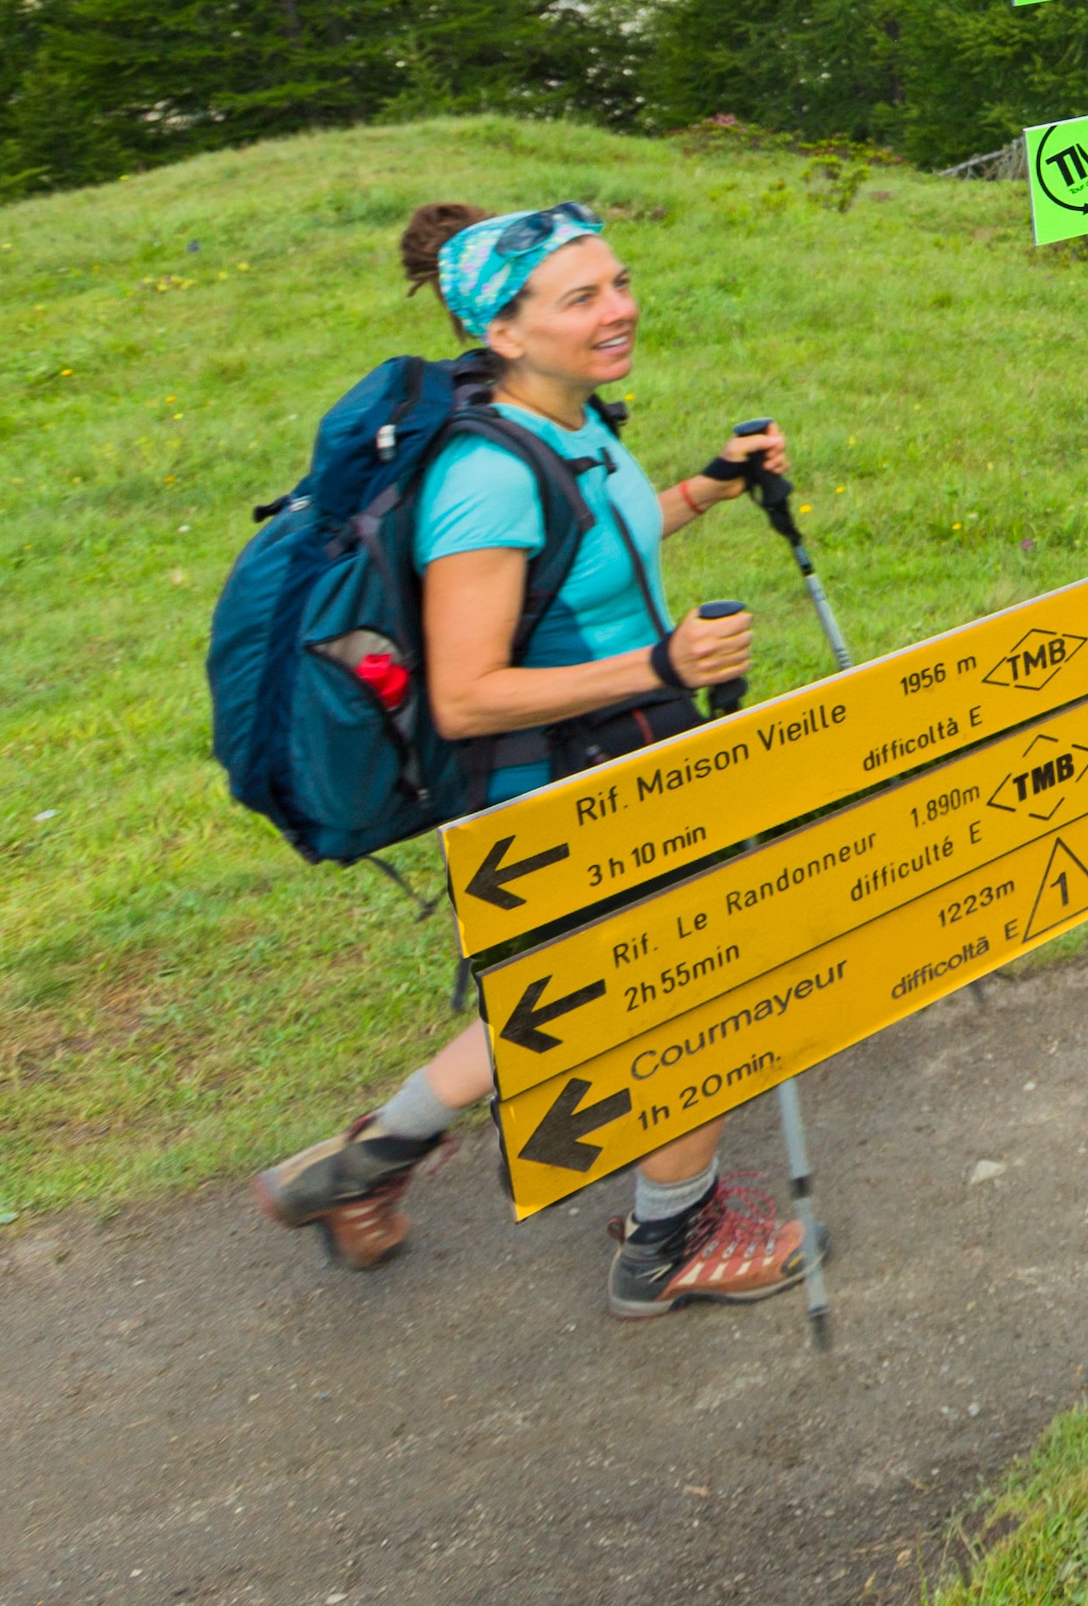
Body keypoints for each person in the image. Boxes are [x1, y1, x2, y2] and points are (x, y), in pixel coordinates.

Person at [252, 202, 807, 1315]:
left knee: (593, 991)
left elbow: (586, 553)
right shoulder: (485, 477)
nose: (620, 309)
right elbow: (463, 696)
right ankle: (669, 1244)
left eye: (619, 283)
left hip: (625, 750)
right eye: (582, 298)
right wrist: (663, 661)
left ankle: (361, 1164)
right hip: (553, 781)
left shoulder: (569, 422)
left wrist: (705, 486)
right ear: (502, 330)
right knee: (692, 982)